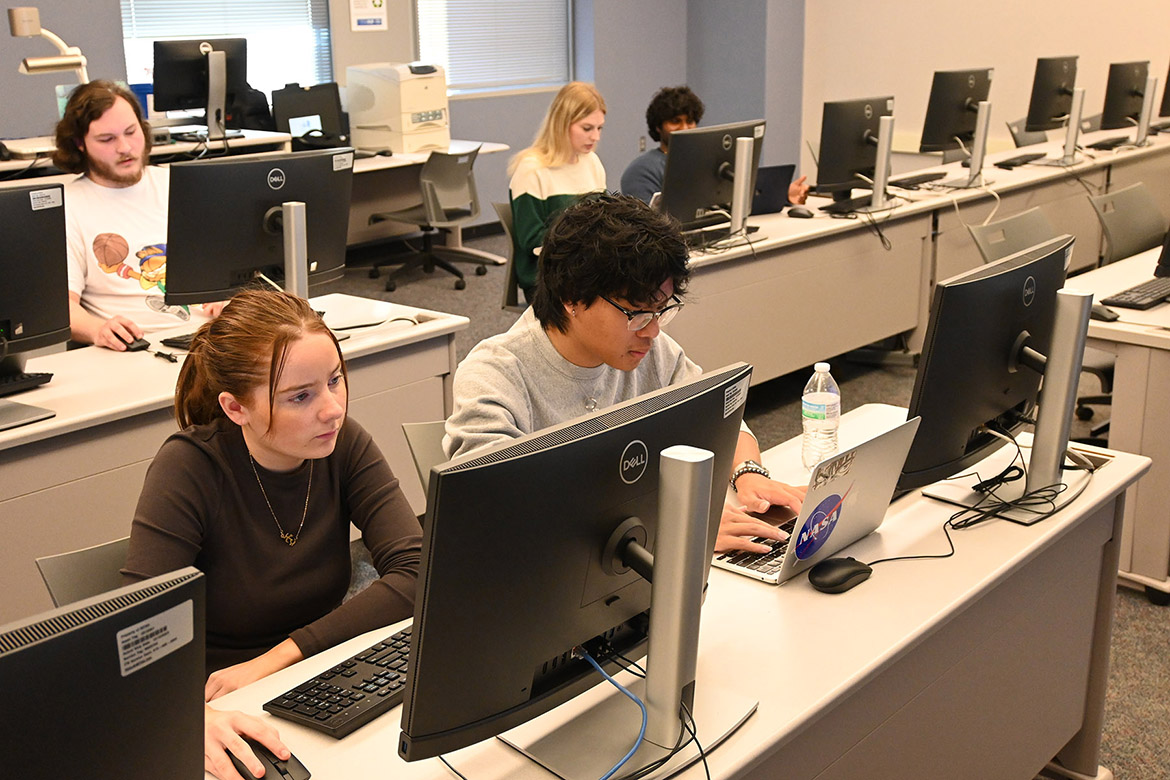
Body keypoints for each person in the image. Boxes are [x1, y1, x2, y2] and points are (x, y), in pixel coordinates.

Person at [121, 289, 422, 780]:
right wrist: (191, 717)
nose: (332, 409)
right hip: (217, 704)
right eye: (301, 396)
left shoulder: (341, 442)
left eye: (335, 381)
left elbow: (415, 569)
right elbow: (137, 630)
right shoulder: (189, 467)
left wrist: (283, 655)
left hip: (313, 676)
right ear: (236, 408)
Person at [444, 193, 805, 553]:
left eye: (661, 310)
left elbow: (719, 419)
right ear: (572, 297)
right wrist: (670, 526)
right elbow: (496, 503)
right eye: (636, 313)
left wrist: (748, 473)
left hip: (625, 564)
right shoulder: (495, 373)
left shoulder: (651, 351)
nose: (653, 331)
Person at [52, 80, 220, 350]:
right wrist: (98, 330)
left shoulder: (180, 186)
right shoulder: (68, 207)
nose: (125, 148)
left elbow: (229, 272)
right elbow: (61, 307)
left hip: (213, 340)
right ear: (79, 143)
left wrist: (229, 296)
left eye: (131, 132)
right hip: (138, 347)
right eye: (107, 139)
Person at [620, 85, 810, 207]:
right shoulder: (642, 170)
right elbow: (646, 225)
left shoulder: (710, 162)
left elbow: (733, 200)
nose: (685, 128)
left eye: (690, 121)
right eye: (675, 121)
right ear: (658, 127)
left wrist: (782, 194)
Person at [508, 81, 608, 303]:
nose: (595, 137)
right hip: (548, 276)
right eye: (587, 128)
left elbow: (605, 218)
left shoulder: (591, 162)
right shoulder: (532, 169)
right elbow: (532, 239)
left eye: (599, 128)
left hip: (587, 267)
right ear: (562, 124)